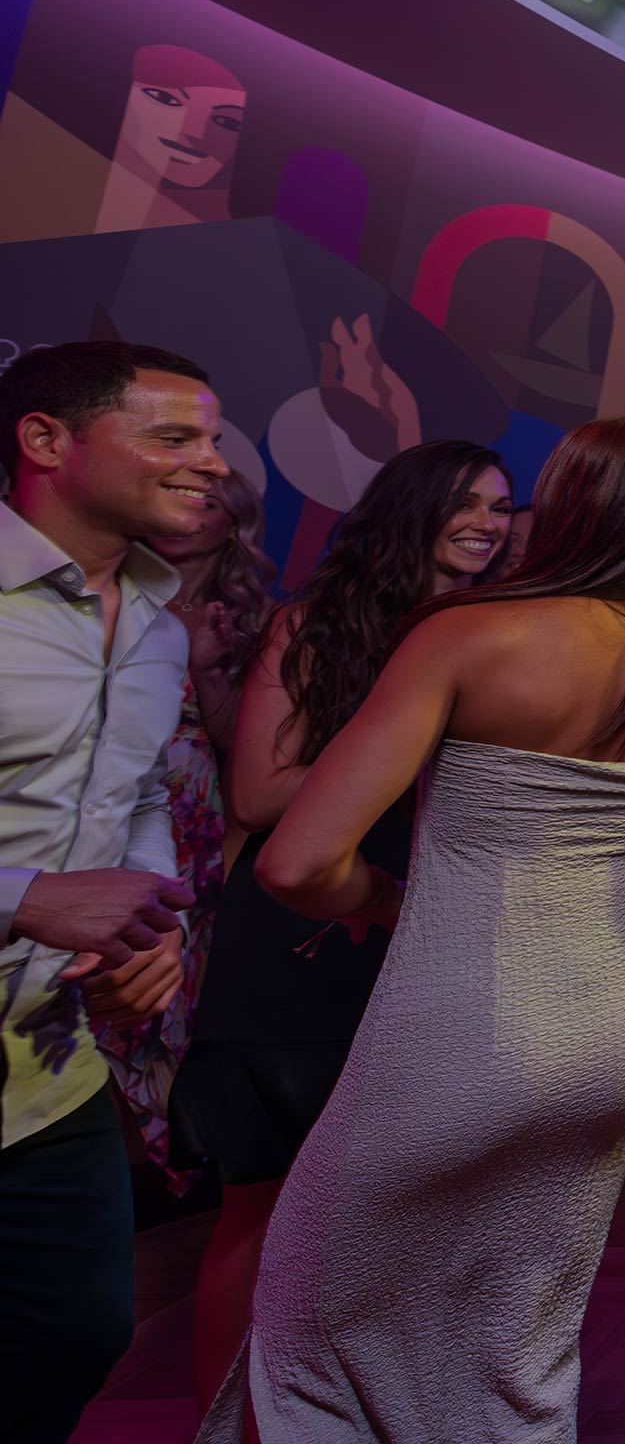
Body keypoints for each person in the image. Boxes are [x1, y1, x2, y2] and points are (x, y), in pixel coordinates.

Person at [197, 417, 625, 1441]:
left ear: (564, 505)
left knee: (315, 1300)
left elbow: (298, 860)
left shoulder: (469, 634)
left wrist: (380, 904)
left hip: (465, 1012)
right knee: (524, 1322)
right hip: (615, 1022)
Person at [173, 439, 514, 1409]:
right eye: (471, 503)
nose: (491, 522)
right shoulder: (320, 623)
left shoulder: (494, 630)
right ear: (415, 507)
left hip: (430, 928)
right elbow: (257, 790)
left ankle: (358, 1412)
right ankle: (224, 1424)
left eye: (501, 505)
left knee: (406, 1203)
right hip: (297, 932)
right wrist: (396, 754)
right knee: (260, 1200)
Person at [0, 341, 221, 1443]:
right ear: (46, 441)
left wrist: (148, 922)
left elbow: (133, 794)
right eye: (176, 437)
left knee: (76, 1332)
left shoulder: (157, 625)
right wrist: (23, 896)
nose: (212, 463)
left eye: (214, 440)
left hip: (46, 1065)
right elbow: (39, 886)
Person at [91, 469, 272, 1185]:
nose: (189, 513)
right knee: (103, 980)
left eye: (208, 504)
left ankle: (162, 1157)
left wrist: (209, 670)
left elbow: (244, 755)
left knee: (172, 986)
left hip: (196, 816)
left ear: (233, 525)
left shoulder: (247, 617)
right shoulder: (108, 592)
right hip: (106, 800)